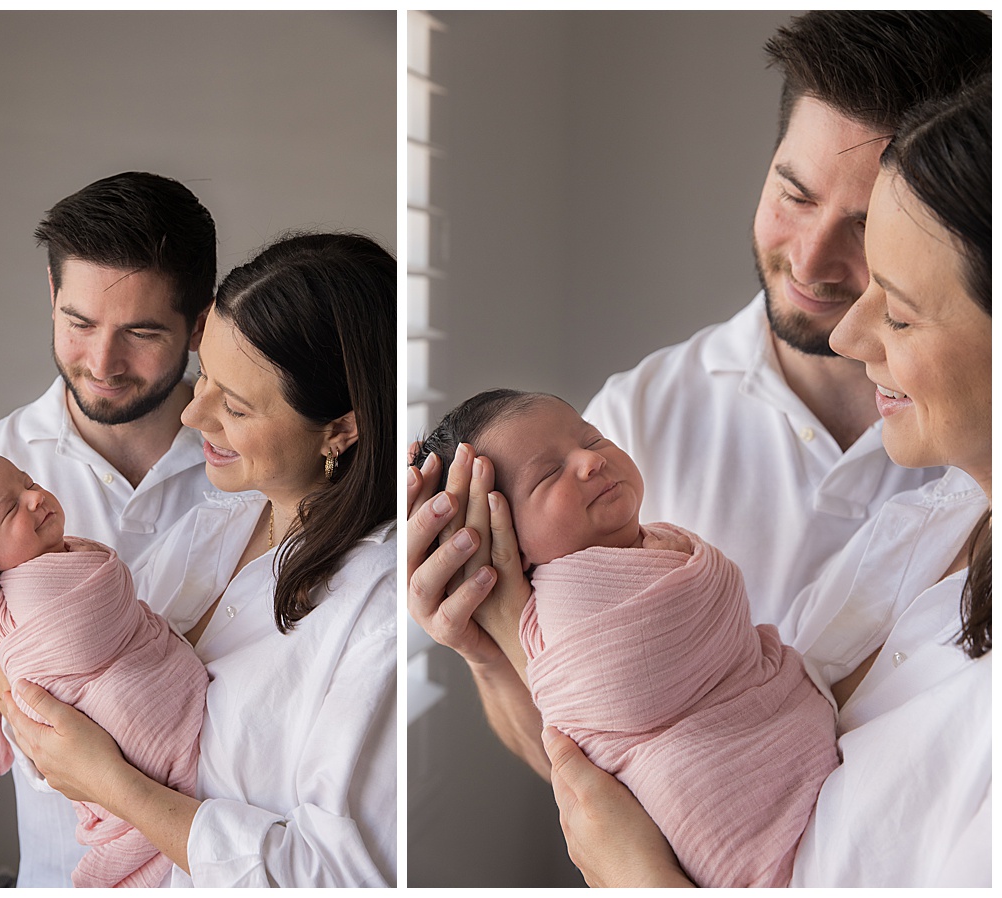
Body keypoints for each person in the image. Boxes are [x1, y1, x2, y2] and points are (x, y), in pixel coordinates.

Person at [407, 8, 991, 783]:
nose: (813, 260)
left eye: (862, 225)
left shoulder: (973, 445)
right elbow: (591, 760)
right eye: (793, 194)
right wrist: (488, 653)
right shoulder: (630, 426)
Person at [550, 72, 993, 886]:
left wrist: (640, 880)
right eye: (794, 193)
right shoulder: (944, 516)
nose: (852, 333)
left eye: (896, 309)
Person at [0, 232, 398, 886]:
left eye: (234, 404)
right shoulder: (219, 517)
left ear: (342, 428)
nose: (195, 413)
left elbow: (347, 875)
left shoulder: (376, 612)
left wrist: (114, 784)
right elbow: (38, 729)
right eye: (207, 376)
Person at [0, 170, 221, 887]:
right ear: (50, 295)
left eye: (141, 331)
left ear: (199, 326)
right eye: (79, 323)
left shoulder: (260, 468)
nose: (102, 363)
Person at [414, 390, 837, 887]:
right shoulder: (559, 608)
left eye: (593, 438)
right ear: (497, 534)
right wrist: (491, 648)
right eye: (548, 475)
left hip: (799, 750)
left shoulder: (663, 542)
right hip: (719, 802)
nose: (592, 460)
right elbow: (606, 711)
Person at [0, 451, 220, 888]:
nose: (34, 498)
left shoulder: (224, 455)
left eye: (29, 481)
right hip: (57, 872)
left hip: (212, 814)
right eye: (10, 508)